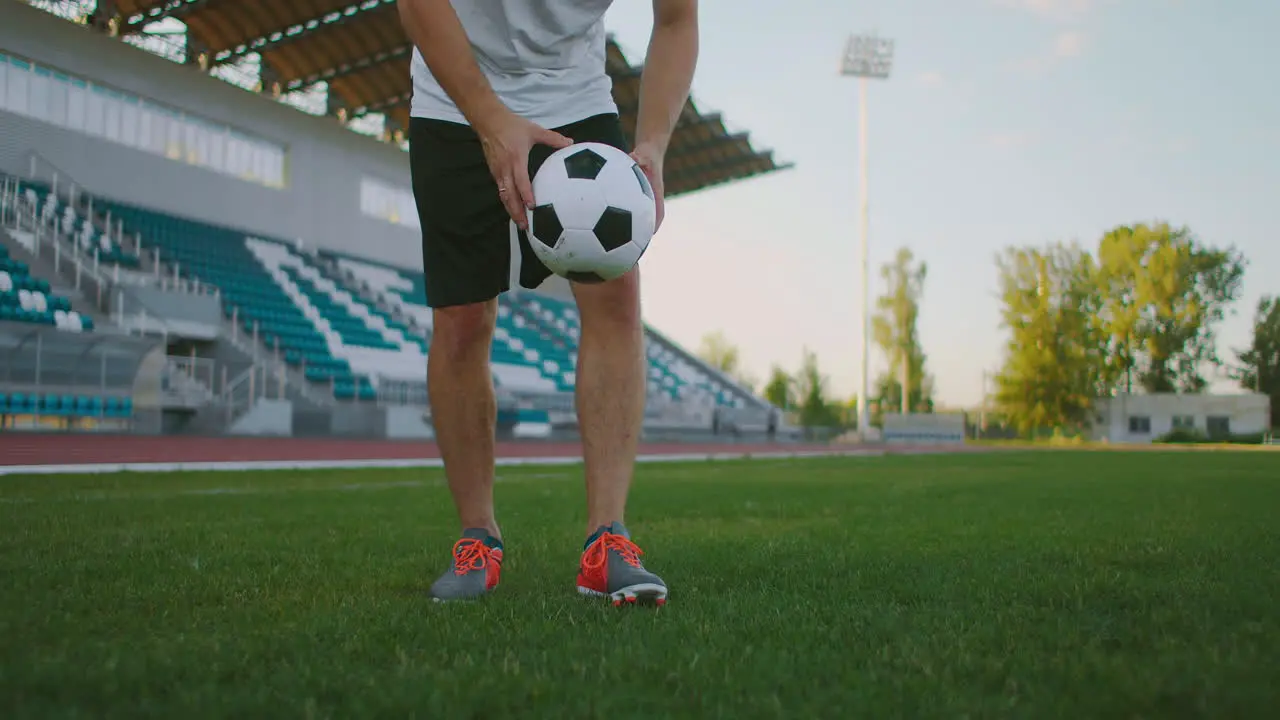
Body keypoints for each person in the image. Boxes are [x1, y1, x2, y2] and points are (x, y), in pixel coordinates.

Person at [396, 0, 699, 605]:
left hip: (575, 97)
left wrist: (656, 143)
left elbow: (676, 19)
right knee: (460, 318)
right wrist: (488, 119)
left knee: (617, 297)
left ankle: (606, 541)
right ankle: (477, 538)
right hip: (452, 96)